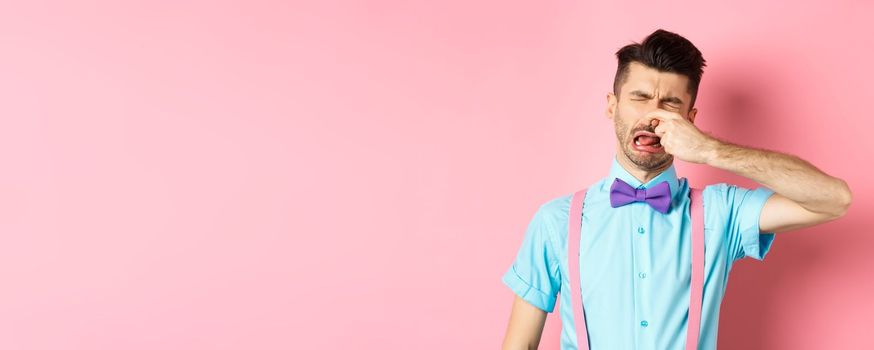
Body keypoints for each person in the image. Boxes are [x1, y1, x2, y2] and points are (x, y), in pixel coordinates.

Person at [500, 29, 853, 350]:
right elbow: (519, 345)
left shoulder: (721, 211)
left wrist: (711, 150)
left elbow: (833, 200)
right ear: (612, 106)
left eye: (670, 103)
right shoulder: (555, 221)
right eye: (640, 97)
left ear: (691, 119)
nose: (654, 114)